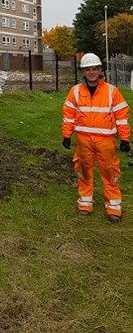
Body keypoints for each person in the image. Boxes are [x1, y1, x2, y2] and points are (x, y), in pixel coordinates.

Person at [62, 52, 131, 223]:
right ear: (82, 71)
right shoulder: (75, 91)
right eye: (88, 69)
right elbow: (68, 115)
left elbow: (121, 116)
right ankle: (85, 202)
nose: (91, 72)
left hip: (106, 142)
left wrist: (124, 139)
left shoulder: (111, 91)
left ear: (100, 70)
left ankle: (113, 206)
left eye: (94, 68)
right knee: (84, 172)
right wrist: (66, 135)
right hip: (83, 141)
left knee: (110, 173)